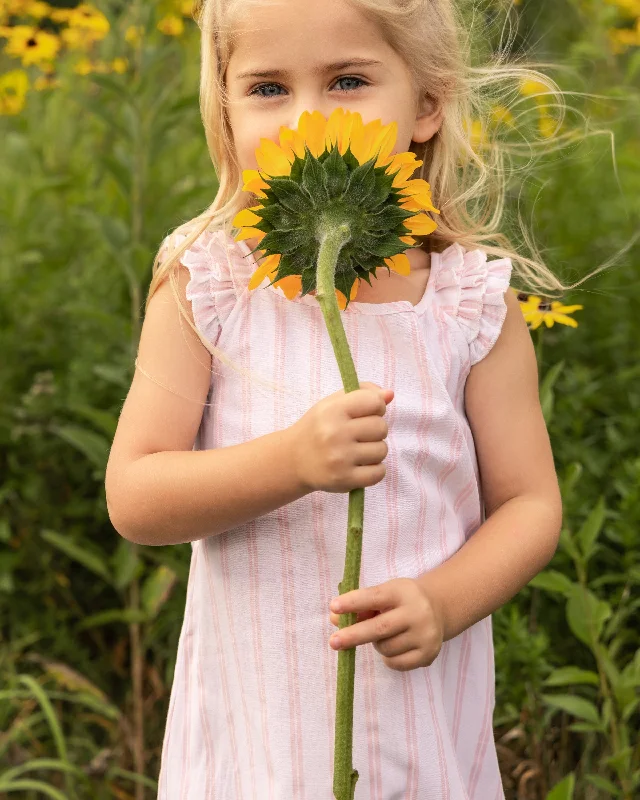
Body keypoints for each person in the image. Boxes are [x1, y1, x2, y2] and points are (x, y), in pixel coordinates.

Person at [105, 0, 573, 797]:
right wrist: (290, 461)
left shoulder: (467, 305)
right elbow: (136, 495)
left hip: (417, 727)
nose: (311, 120)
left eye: (349, 80)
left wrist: (444, 600)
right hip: (257, 734)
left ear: (427, 102)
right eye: (267, 89)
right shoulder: (209, 283)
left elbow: (530, 504)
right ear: (224, 106)